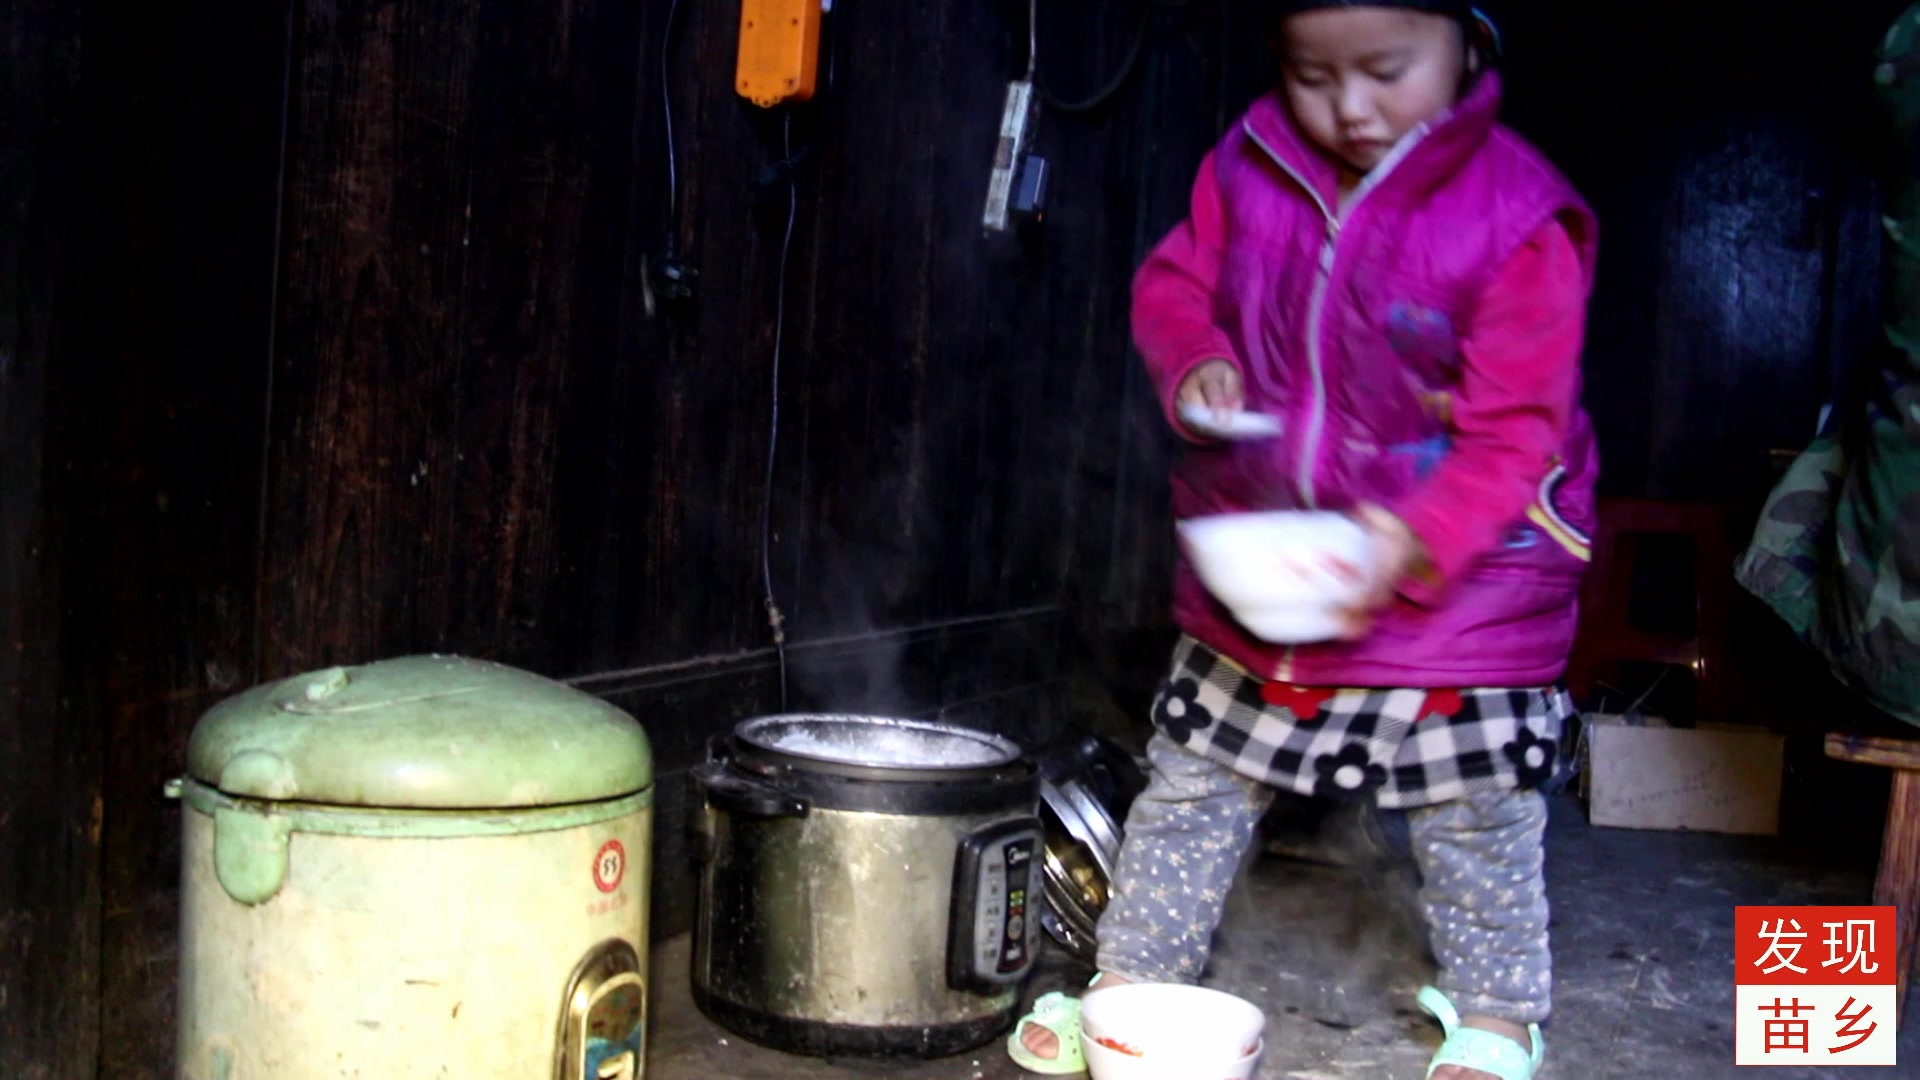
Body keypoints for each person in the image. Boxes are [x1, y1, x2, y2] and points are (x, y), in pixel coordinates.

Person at [1007, 3, 1599, 1079]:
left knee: (1477, 805)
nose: (1350, 107)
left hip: (1465, 582)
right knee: (1194, 779)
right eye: (1312, 74)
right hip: (1276, 561)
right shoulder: (1249, 163)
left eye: (1385, 70)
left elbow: (1518, 430)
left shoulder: (1518, 217)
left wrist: (1415, 543)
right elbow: (1175, 284)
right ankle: (1130, 985)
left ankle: (1501, 1013)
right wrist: (1194, 361)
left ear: (1469, 43)